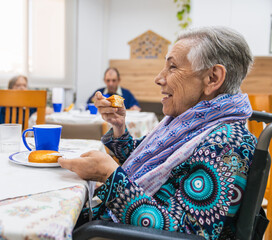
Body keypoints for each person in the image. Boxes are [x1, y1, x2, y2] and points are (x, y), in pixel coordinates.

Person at [59, 26, 256, 239]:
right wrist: (119, 127)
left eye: (172, 67)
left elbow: (188, 233)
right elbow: (147, 162)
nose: (159, 78)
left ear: (212, 78)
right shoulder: (188, 122)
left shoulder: (226, 143)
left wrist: (110, 177)